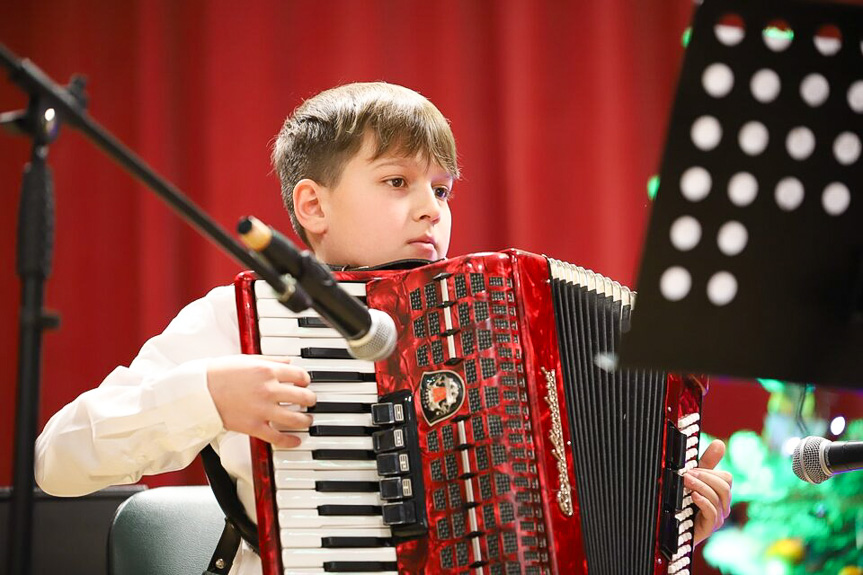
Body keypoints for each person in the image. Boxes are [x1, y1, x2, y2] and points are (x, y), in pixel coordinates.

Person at [34, 82, 732, 574]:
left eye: (441, 189)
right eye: (398, 182)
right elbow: (58, 463)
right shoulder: (236, 321)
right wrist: (207, 396)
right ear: (313, 204)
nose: (432, 208)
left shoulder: (497, 328)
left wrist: (666, 523)